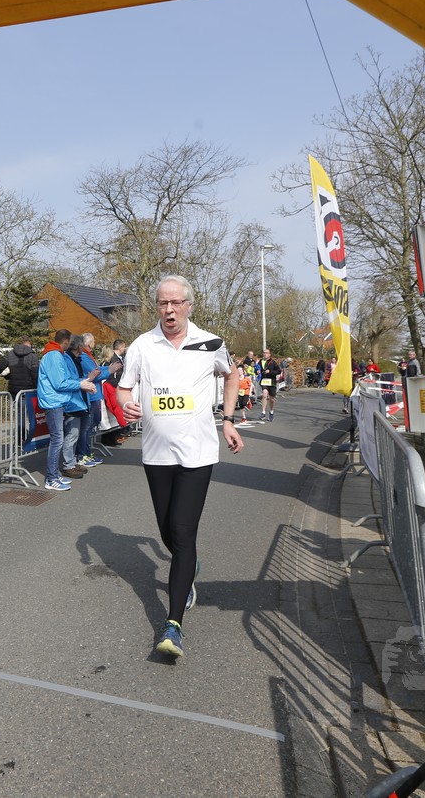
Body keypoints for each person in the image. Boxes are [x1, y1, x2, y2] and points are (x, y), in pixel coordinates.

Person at [117, 275, 242, 659]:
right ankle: (188, 567)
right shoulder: (142, 345)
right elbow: (124, 387)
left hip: (197, 454)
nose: (169, 310)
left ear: (189, 305)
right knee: (168, 531)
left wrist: (228, 419)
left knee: (183, 532)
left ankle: (173, 624)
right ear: (156, 306)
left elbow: (232, 375)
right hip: (157, 455)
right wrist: (125, 404)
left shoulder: (211, 343)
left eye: (175, 303)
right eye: (162, 303)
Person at [35, 329, 95, 491]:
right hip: (53, 402)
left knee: (58, 439)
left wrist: (81, 383)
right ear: (66, 341)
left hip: (55, 401)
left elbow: (62, 380)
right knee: (57, 440)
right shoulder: (54, 355)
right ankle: (51, 478)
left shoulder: (55, 354)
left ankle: (54, 474)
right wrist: (81, 384)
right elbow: (59, 383)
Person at [73, 333, 114, 467]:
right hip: (90, 396)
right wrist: (109, 371)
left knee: (91, 425)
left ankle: (86, 452)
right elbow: (95, 374)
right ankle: (82, 454)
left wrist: (108, 368)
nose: (94, 344)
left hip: (95, 395)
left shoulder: (88, 356)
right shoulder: (84, 357)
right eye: (93, 342)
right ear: (88, 343)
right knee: (86, 427)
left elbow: (97, 369)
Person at [258, 348, 280, 422]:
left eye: (266, 353)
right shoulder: (261, 361)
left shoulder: (273, 362)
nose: (265, 354)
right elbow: (257, 369)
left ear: (269, 354)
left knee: (271, 399)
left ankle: (271, 412)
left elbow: (278, 371)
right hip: (264, 381)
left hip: (272, 382)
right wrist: (257, 371)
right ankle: (263, 412)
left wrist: (270, 372)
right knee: (264, 394)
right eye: (264, 353)